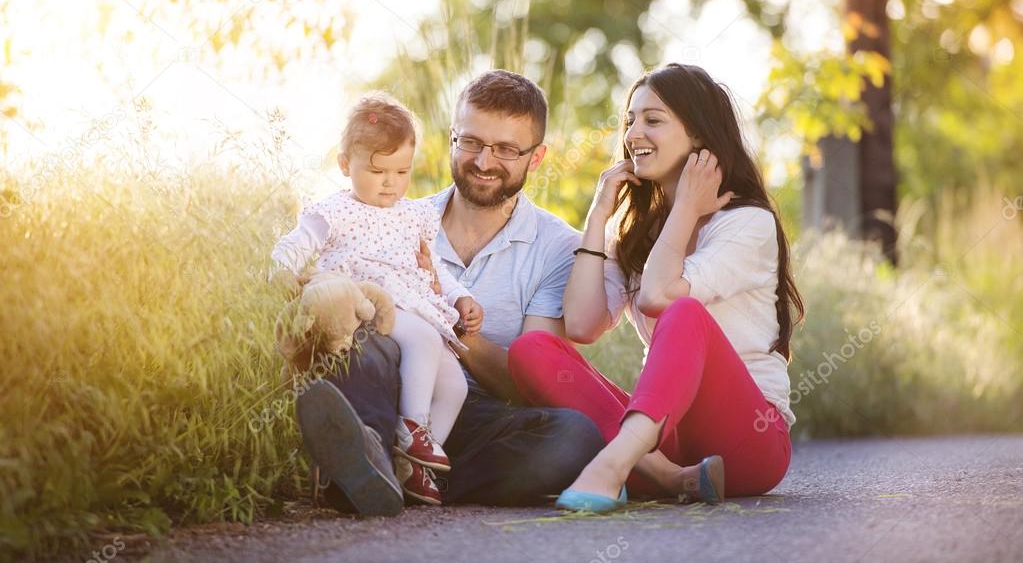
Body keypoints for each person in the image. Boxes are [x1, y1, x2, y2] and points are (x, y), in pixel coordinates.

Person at [289, 70, 606, 515]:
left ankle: (388, 477)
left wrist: (454, 324)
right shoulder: (394, 215)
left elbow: (528, 384)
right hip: (391, 387)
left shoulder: (558, 248)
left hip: (478, 414)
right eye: (471, 142)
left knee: (576, 435)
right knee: (364, 342)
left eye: (507, 149)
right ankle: (377, 458)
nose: (483, 161)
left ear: (536, 159)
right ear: (453, 138)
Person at [508, 63, 805, 513]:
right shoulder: (635, 235)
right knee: (532, 349)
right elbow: (583, 325)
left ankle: (614, 466)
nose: (633, 134)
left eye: (653, 120)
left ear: (699, 136)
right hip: (667, 437)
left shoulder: (747, 222)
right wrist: (597, 219)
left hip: (750, 441)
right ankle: (667, 475)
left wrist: (686, 204)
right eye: (630, 120)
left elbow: (659, 297)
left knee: (684, 312)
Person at [271, 92, 483, 505]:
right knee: (422, 340)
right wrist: (281, 271)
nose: (390, 182)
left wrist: (460, 297)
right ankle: (414, 428)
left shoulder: (414, 214)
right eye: (378, 170)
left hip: (418, 303)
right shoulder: (336, 210)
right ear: (345, 164)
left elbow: (434, 268)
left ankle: (413, 468)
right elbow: (296, 244)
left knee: (456, 385)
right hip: (371, 300)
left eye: (401, 170)